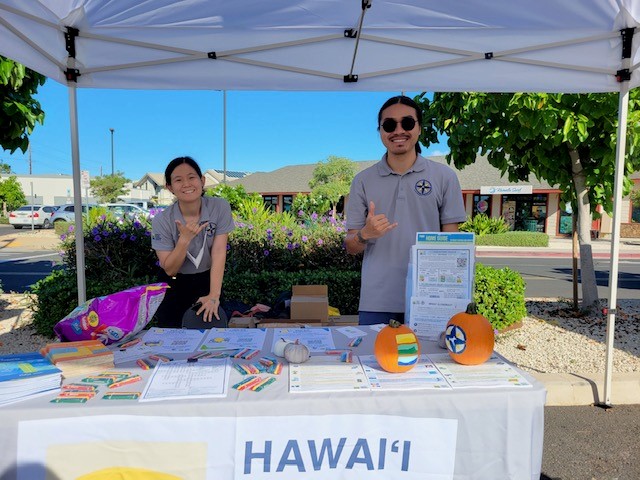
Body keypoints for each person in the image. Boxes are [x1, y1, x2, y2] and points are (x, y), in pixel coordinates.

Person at [345, 95, 467, 326]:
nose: (398, 130)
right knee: (374, 360)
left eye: (407, 123)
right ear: (380, 131)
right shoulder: (362, 180)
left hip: (431, 300)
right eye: (389, 125)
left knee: (431, 362)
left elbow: (453, 245)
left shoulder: (444, 177)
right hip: (377, 301)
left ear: (419, 128)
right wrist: (365, 235)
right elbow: (350, 246)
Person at [151, 156, 234, 328]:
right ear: (170, 187)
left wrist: (214, 295)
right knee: (172, 339)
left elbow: (219, 251)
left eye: (191, 177)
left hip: (208, 280)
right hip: (173, 283)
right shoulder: (162, 220)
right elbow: (170, 268)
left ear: (202, 181)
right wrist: (184, 239)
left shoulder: (220, 207)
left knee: (213, 339)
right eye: (178, 180)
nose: (187, 184)